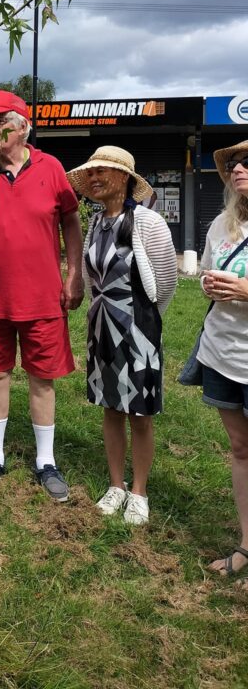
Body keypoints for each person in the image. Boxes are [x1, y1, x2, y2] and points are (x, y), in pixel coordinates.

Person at [0, 90, 83, 501]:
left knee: (41, 377)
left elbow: (70, 220)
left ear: (22, 127)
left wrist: (75, 274)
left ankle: (45, 461)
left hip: (43, 297)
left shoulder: (51, 169)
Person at [66, 146, 177, 525]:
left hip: (138, 329)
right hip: (101, 329)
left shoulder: (147, 222)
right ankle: (116, 485)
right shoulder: (96, 223)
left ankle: (140, 491)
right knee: (111, 408)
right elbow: (88, 274)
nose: (95, 178)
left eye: (104, 172)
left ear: (126, 179)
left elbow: (165, 283)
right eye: (91, 173)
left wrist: (143, 322)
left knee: (140, 413)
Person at [196, 139, 248, 576]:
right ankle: (247, 546)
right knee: (240, 448)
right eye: (233, 163)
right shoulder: (221, 225)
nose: (238, 169)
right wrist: (209, 286)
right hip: (222, 354)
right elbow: (207, 273)